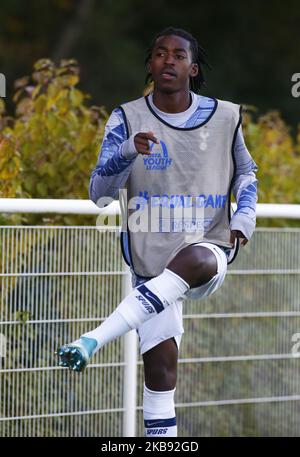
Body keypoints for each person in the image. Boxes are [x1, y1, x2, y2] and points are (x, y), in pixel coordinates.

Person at [56, 27, 258, 437]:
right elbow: (98, 194)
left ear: (193, 67)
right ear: (150, 64)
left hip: (208, 247)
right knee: (161, 375)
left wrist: (244, 217)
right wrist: (129, 149)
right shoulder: (126, 118)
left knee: (199, 255)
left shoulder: (225, 117)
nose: (169, 60)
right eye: (160, 54)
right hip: (151, 265)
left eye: (179, 55)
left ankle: (94, 338)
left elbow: (247, 173)